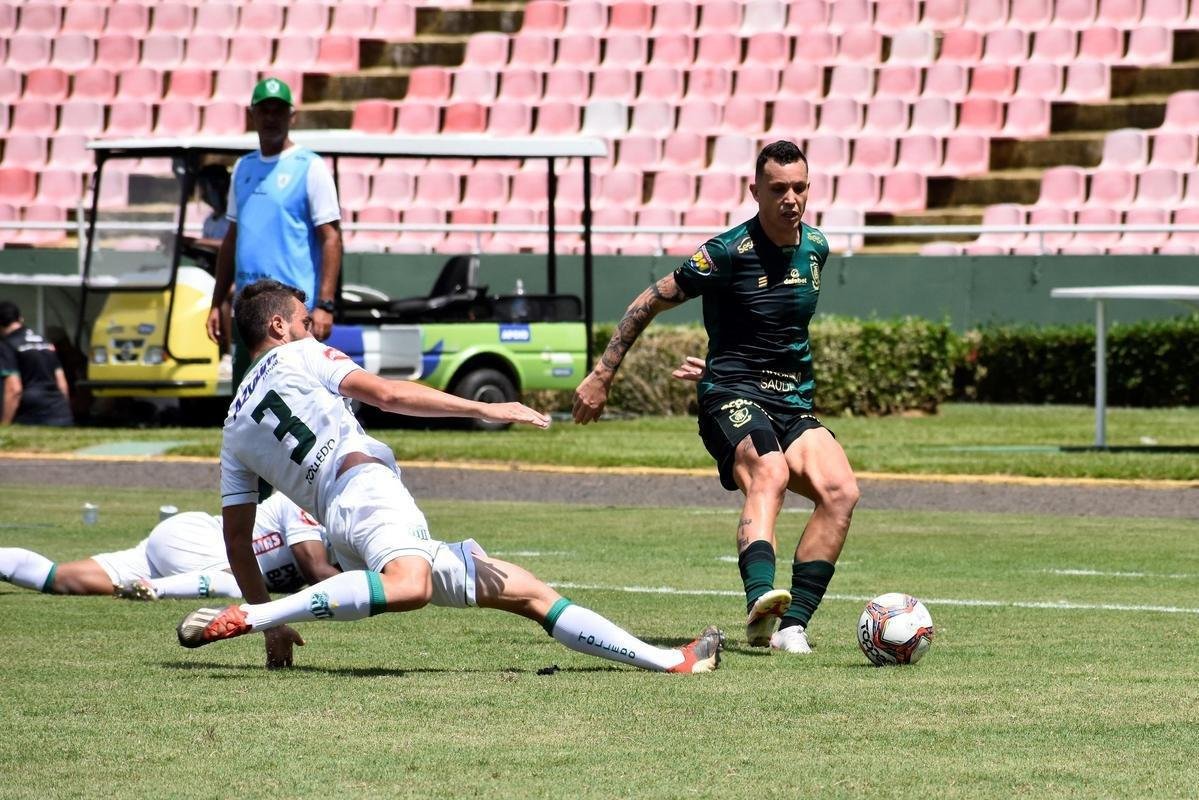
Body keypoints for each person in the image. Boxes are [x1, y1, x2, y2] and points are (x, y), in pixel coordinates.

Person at [176, 279, 723, 673]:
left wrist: (274, 633)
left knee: (527, 591)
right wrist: (486, 408)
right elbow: (388, 394)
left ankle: (671, 661)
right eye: (302, 319)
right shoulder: (302, 355)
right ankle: (254, 612)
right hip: (365, 492)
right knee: (409, 586)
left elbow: (236, 540)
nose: (310, 326)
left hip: (342, 525)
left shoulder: (232, 425)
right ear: (279, 326)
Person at [572, 141, 860, 655]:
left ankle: (791, 626)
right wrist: (602, 373)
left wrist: (726, 357)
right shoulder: (726, 252)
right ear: (755, 191)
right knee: (768, 470)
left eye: (800, 187)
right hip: (731, 394)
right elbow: (648, 302)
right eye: (778, 189)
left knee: (841, 492)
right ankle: (760, 600)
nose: (791, 198)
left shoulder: (816, 246)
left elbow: (771, 330)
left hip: (791, 399)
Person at [206, 77, 342, 387]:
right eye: (264, 110)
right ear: (251, 115)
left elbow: (331, 237)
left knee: (296, 397)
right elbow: (232, 238)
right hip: (249, 309)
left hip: (291, 310)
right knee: (247, 399)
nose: (271, 118)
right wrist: (216, 303)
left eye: (278, 111)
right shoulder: (243, 168)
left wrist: (325, 304)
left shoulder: (310, 166)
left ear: (291, 116)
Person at [0, 493, 340, 599]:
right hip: (195, 541)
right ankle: (152, 589)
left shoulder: (346, 533)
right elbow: (316, 570)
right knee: (235, 584)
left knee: (60, 579)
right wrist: (386, 594)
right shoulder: (304, 500)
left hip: (183, 557)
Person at [0, 301, 72, 426]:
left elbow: (14, 389)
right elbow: (62, 384)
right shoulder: (45, 342)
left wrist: (4, 425)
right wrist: (62, 412)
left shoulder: (7, 346)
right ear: (20, 318)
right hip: (60, 411)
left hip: (32, 415)